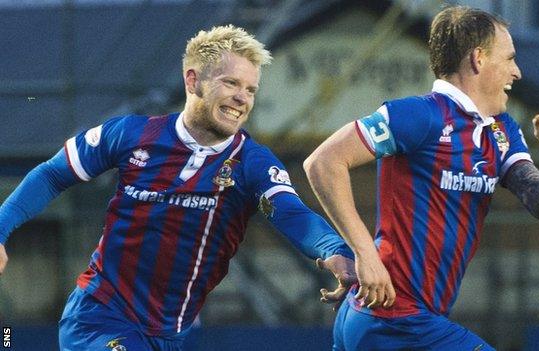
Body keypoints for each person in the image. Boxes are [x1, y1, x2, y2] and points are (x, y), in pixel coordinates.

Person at [0, 25, 355, 350]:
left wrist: (335, 250)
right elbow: (51, 175)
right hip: (98, 317)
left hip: (172, 334)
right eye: (230, 83)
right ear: (192, 80)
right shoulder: (130, 134)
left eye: (250, 89)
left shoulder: (253, 163)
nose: (242, 98)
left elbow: (292, 213)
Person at [304, 5, 539, 351]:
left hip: (397, 319)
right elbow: (323, 162)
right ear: (478, 59)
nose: (518, 72)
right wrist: (365, 254)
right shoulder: (419, 115)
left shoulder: (501, 131)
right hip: (392, 318)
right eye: (509, 59)